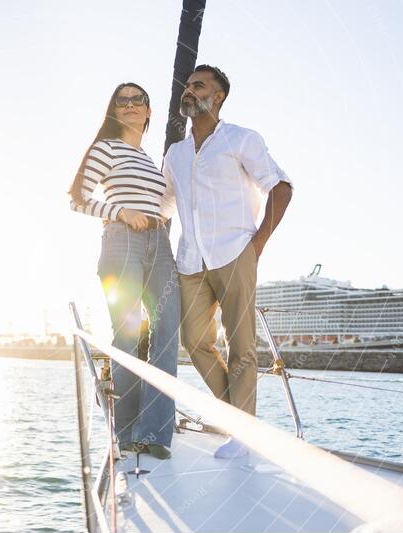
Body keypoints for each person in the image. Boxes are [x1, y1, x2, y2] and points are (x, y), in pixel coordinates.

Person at [162, 65, 293, 458]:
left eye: (198, 85)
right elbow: (165, 204)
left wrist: (256, 247)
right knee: (194, 340)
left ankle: (242, 435)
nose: (189, 90)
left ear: (217, 96)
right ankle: (238, 419)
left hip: (235, 251)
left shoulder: (241, 139)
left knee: (242, 347)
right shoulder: (176, 153)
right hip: (190, 261)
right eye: (187, 85)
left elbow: (281, 188)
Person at [68, 83, 180, 459]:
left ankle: (155, 433)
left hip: (159, 243)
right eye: (123, 100)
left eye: (139, 100)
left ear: (149, 111)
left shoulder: (148, 158)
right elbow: (77, 199)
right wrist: (121, 213)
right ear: (114, 110)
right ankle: (128, 431)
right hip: (122, 241)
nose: (131, 105)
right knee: (128, 335)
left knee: (166, 332)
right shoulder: (106, 148)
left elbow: (162, 201)